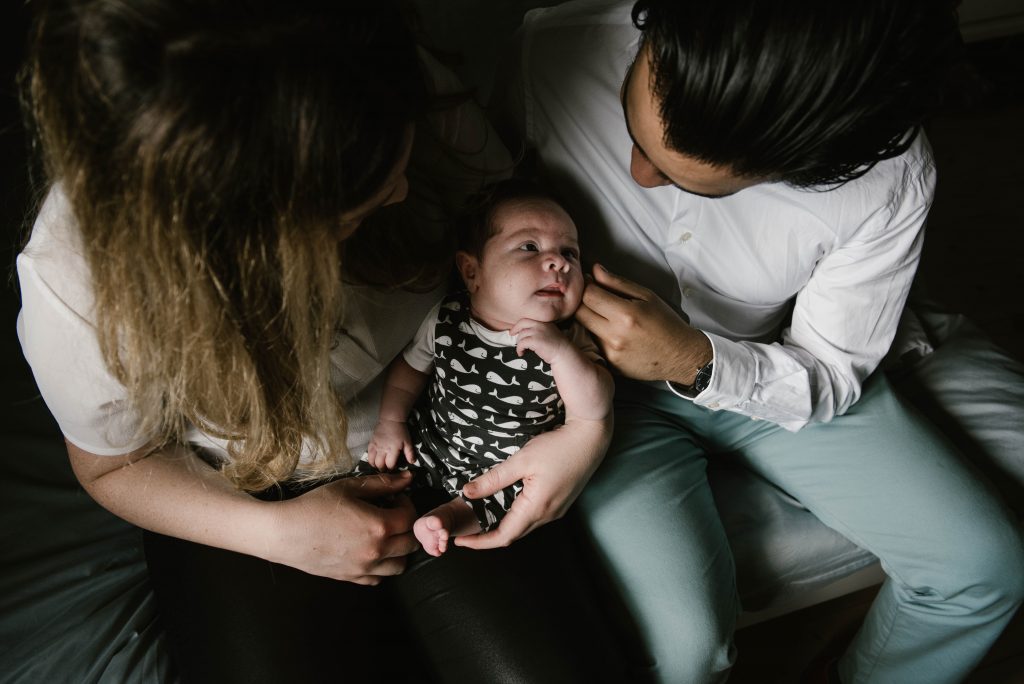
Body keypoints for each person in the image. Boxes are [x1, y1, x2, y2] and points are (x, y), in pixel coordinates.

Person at [15, 2, 620, 682]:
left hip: (451, 439)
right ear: (255, 238)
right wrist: (279, 536)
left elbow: (521, 261)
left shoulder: (371, 80)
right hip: (248, 490)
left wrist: (586, 432)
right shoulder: (81, 289)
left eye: (400, 162)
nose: (400, 193)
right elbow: (112, 465)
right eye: (358, 205)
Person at [499, 0, 1024, 682]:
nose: (639, 175)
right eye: (631, 129)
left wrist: (694, 360)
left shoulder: (889, 178)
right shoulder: (554, 49)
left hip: (774, 367)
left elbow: (831, 370)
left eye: (689, 181)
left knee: (982, 569)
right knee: (684, 653)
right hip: (593, 399)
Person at [359, 180, 613, 556]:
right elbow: (410, 371)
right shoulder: (448, 319)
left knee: (502, 498)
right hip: (435, 438)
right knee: (383, 467)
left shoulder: (570, 339)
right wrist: (391, 422)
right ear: (472, 271)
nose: (558, 262)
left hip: (507, 464)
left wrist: (560, 354)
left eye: (570, 253)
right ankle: (384, 511)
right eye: (530, 247)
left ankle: (447, 520)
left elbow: (594, 406)